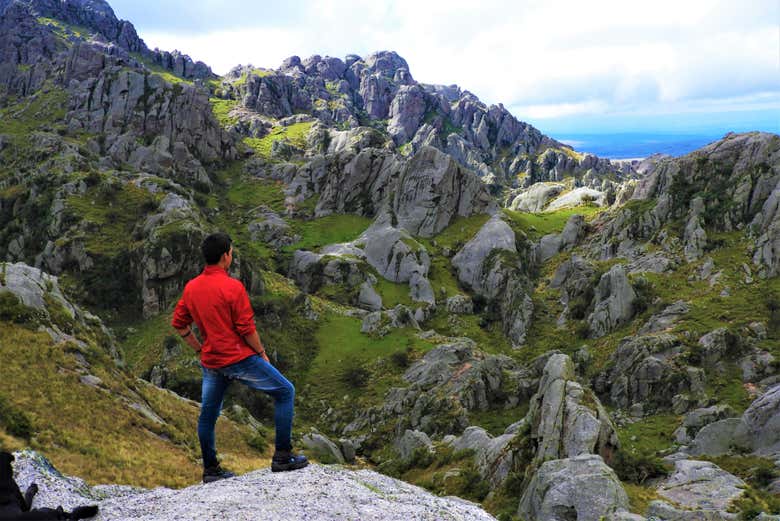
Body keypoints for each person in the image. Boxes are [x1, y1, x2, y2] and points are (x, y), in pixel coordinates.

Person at [171, 232, 308, 483]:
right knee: (285, 391)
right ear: (226, 256)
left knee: (208, 415)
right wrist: (262, 354)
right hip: (238, 358)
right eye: (231, 252)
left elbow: (179, 324)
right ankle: (282, 456)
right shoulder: (233, 287)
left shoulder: (192, 288)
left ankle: (211, 470)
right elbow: (246, 329)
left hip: (212, 362)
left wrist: (199, 349)